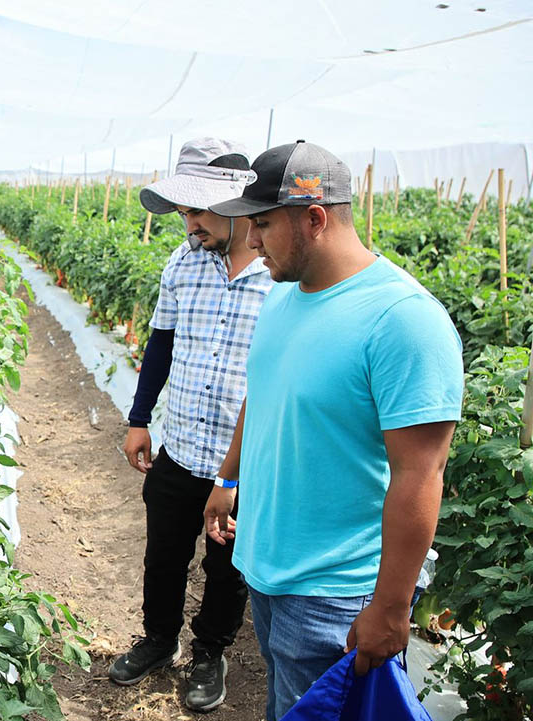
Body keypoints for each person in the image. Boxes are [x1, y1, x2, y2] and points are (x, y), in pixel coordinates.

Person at [202, 140, 463, 721]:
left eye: (262, 224)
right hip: (268, 569)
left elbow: (421, 473)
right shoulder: (283, 297)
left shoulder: (403, 320)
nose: (251, 241)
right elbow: (262, 394)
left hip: (337, 594)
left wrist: (390, 608)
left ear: (314, 219)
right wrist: (228, 478)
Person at [109, 138, 274, 712]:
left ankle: (210, 652)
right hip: (180, 444)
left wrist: (234, 475)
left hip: (242, 458)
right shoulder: (182, 262)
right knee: (163, 553)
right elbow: (161, 344)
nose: (190, 224)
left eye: (198, 211)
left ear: (235, 206)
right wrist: (138, 420)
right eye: (183, 212)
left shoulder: (279, 275)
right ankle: (159, 639)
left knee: (227, 566)